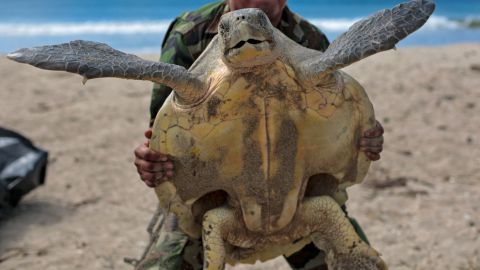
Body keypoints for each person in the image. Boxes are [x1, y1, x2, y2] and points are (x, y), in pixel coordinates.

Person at [133, 0, 384, 269]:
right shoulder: (189, 32)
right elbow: (161, 129)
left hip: (298, 191)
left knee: (353, 258)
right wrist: (152, 160)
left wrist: (361, 135)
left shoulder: (309, 38)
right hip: (212, 194)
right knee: (167, 261)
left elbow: (334, 112)